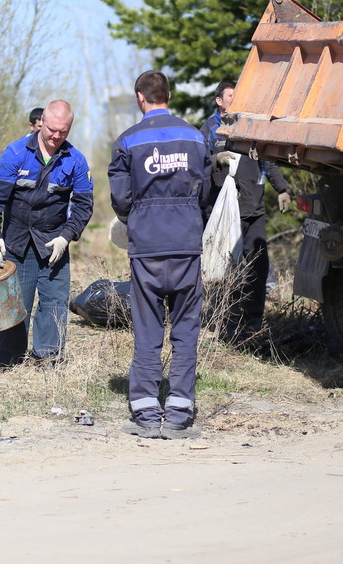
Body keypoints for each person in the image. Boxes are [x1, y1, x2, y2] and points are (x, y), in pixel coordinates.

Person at [109, 71, 210, 439]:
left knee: (148, 329)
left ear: (141, 97)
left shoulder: (128, 141)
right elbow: (205, 192)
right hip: (185, 243)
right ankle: (180, 414)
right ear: (168, 94)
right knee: (186, 329)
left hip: (147, 248)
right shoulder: (194, 137)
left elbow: (121, 199)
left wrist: (135, 219)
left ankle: (147, 414)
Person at [0, 100, 93, 364]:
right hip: (16, 241)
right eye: (52, 129)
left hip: (53, 241)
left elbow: (83, 204)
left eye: (63, 132)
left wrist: (67, 236)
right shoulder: (16, 153)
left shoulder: (75, 160)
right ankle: (9, 357)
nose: (56, 136)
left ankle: (48, 356)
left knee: (54, 300)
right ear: (41, 121)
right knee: (16, 302)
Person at [200, 80, 291, 347]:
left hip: (254, 209)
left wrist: (282, 188)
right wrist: (215, 160)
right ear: (219, 100)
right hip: (227, 212)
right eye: (231, 95)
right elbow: (198, 163)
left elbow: (267, 159)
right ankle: (226, 323)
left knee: (258, 268)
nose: (235, 99)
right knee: (229, 269)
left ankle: (253, 324)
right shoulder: (210, 130)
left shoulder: (251, 126)